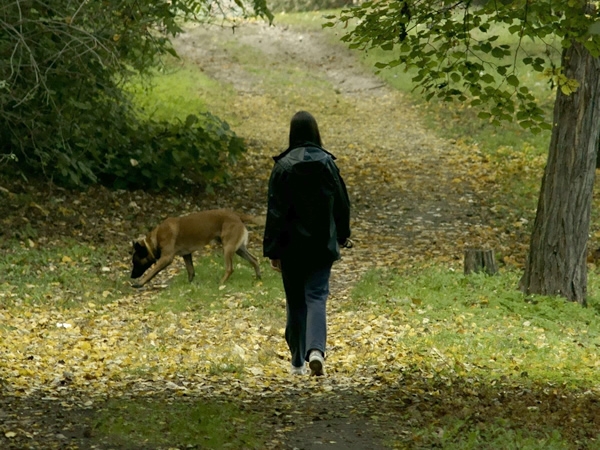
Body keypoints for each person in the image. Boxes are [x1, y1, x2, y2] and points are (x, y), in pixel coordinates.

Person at [263, 111, 352, 376]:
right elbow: (342, 203)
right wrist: (343, 234)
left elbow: (275, 212)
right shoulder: (327, 164)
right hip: (322, 244)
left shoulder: (282, 167)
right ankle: (316, 350)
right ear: (315, 132)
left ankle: (297, 362)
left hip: (291, 246)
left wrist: (273, 250)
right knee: (316, 296)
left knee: (295, 300)